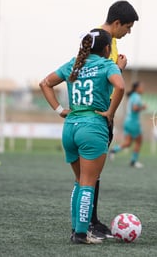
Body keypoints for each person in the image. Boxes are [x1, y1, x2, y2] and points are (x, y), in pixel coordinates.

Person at [39, 29, 125, 244]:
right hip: (93, 127)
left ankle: (77, 229)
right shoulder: (106, 64)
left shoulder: (74, 63)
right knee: (89, 182)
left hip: (70, 127)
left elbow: (45, 83)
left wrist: (60, 110)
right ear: (107, 49)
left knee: (79, 182)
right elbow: (120, 86)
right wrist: (110, 112)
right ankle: (80, 234)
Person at [89, 0, 139, 239]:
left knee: (94, 174)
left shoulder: (111, 41)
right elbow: (94, 75)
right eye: (127, 27)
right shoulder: (97, 40)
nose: (128, 32)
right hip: (96, 114)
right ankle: (86, 223)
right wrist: (118, 69)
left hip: (103, 114)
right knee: (88, 176)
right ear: (117, 23)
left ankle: (92, 220)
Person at [109, 81, 146, 168]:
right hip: (133, 122)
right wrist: (143, 107)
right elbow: (135, 108)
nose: (143, 89)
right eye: (141, 87)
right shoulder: (137, 96)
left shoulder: (132, 96)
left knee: (128, 143)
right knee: (139, 141)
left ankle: (113, 150)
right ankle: (133, 161)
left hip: (127, 121)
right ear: (137, 88)